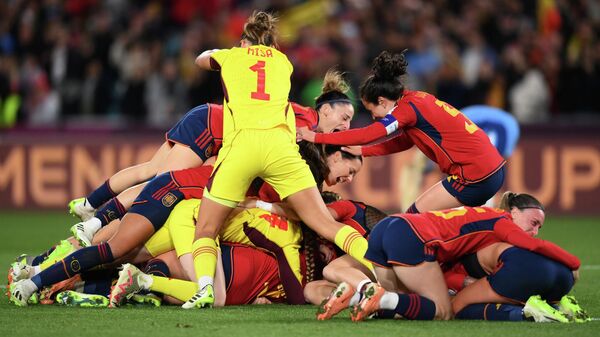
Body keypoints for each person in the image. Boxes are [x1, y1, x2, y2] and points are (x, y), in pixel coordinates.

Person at [184, 11, 370, 309]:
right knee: (324, 223)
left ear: (245, 42)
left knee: (205, 229)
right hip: (279, 149)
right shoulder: (284, 63)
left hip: (242, 147)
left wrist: (223, 52)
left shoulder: (231, 57)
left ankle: (205, 288)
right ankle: (375, 265)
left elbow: (200, 59)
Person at [69, 69, 355, 246]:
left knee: (152, 170)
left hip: (208, 118)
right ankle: (94, 223)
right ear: (326, 110)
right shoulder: (305, 120)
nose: (346, 128)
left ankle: (89, 204)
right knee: (159, 185)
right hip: (211, 129)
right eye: (344, 118)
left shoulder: (304, 124)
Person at [298, 51, 505, 213]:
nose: (374, 117)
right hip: (490, 170)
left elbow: (370, 133)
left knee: (412, 220)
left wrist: (315, 136)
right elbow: (404, 142)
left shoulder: (407, 109)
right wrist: (364, 151)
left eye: (372, 111)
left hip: (474, 176)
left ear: (381, 101)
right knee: (456, 225)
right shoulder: (416, 99)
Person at [348, 196, 580, 322]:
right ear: (514, 213)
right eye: (533, 223)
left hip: (389, 225)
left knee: (405, 301)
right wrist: (573, 263)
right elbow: (534, 245)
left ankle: (355, 296)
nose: (535, 231)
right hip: (413, 235)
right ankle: (377, 298)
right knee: (443, 311)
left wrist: (461, 283)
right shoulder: (501, 222)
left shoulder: (484, 218)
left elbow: (450, 264)